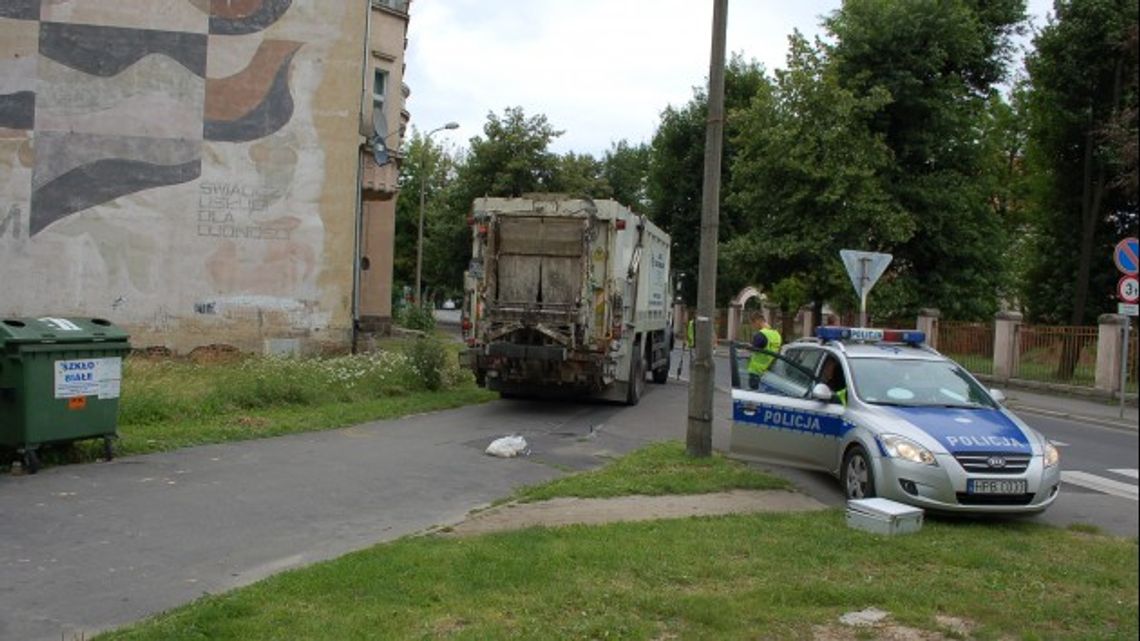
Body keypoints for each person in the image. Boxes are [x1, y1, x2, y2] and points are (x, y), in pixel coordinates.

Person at [747, 313, 782, 390]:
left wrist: (748, 347)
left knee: (753, 397)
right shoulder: (777, 335)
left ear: (757, 321)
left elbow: (753, 350)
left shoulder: (760, 335)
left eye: (752, 324)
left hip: (756, 372)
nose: (753, 327)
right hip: (770, 371)